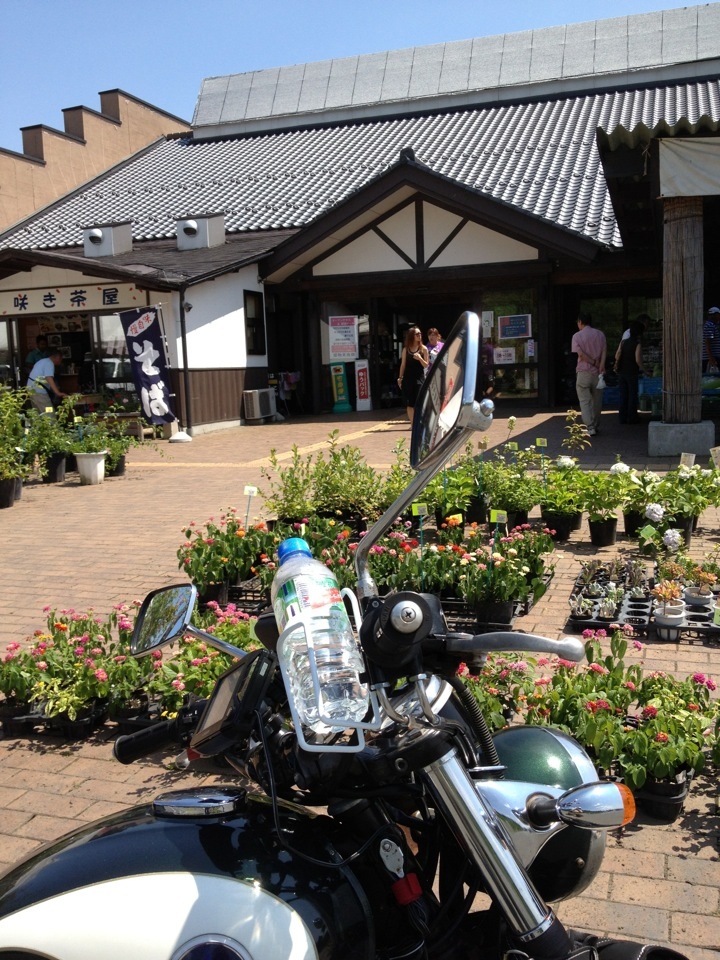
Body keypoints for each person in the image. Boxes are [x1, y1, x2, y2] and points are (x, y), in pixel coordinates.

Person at [571, 312, 606, 436]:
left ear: (580, 322)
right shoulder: (600, 334)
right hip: (598, 374)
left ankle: (590, 427)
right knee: (597, 401)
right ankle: (596, 424)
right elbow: (604, 351)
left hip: (583, 372)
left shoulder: (576, 336)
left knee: (585, 401)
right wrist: (601, 365)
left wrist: (593, 362)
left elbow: (580, 354)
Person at [614, 319, 648, 424]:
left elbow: (617, 355)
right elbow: (638, 360)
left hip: (622, 371)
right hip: (632, 371)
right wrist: (645, 370)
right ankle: (632, 417)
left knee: (623, 395)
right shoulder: (637, 344)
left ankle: (622, 417)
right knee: (632, 395)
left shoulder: (623, 342)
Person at [397, 326, 428, 425]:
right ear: (412, 336)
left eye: (420, 334)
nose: (419, 335)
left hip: (419, 379)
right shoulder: (406, 350)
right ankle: (413, 424)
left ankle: (419, 423)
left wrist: (420, 358)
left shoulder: (424, 349)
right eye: (417, 334)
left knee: (419, 402)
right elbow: (403, 365)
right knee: (410, 403)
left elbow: (426, 365)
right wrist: (400, 377)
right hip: (408, 379)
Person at [27, 347, 66, 414]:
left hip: (32, 390)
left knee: (38, 414)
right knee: (49, 414)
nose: (61, 361)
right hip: (39, 392)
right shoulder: (49, 363)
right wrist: (57, 392)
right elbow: (49, 378)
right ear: (58, 357)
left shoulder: (42, 361)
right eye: (61, 359)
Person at [703, 307, 720, 373]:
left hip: (712, 356)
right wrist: (711, 358)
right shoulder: (710, 326)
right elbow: (708, 342)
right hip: (710, 358)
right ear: (715, 315)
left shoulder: (713, 325)